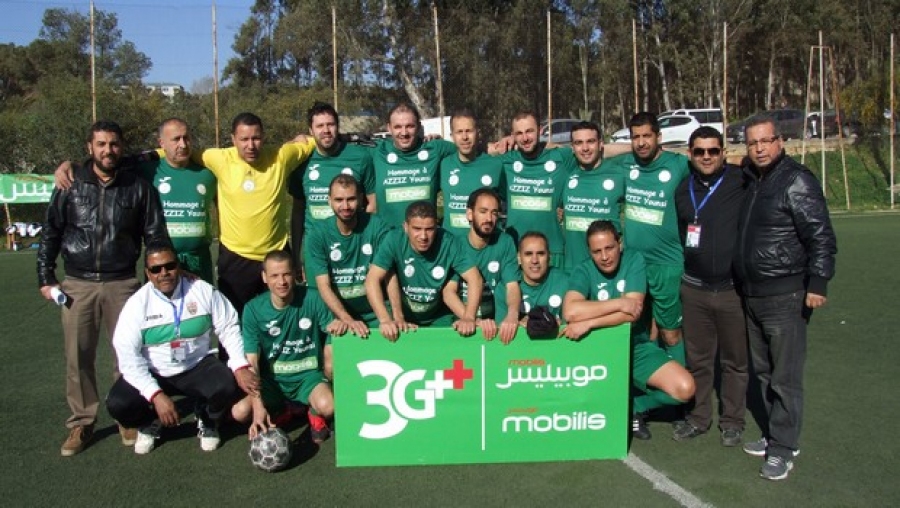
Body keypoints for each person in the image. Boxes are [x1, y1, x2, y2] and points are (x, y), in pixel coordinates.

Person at [36, 120, 170, 456]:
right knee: (77, 356)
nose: (107, 150)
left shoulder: (138, 187)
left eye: (113, 144)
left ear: (121, 148)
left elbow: (154, 233)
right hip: (77, 283)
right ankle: (82, 420)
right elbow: (51, 232)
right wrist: (45, 277)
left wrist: (158, 272)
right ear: (89, 148)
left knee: (126, 354)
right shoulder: (70, 185)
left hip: (122, 282)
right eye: (101, 144)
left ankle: (126, 414)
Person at [734, 115, 837, 481]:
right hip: (754, 294)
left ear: (781, 142)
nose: (759, 148)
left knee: (785, 377)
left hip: (785, 295)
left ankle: (784, 449)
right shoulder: (754, 179)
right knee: (763, 373)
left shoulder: (796, 180)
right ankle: (773, 434)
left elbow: (821, 235)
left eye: (766, 141)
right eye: (752, 143)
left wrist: (818, 282)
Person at [105, 242, 258, 454]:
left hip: (196, 365)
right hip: (155, 370)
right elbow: (128, 357)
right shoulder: (137, 304)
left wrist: (240, 365)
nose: (164, 273)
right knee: (118, 404)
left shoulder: (202, 290)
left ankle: (207, 419)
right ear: (147, 273)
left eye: (169, 266)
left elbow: (228, 326)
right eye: (156, 269)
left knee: (227, 384)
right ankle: (150, 422)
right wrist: (155, 395)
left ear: (178, 265)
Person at [562, 220, 695, 440]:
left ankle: (633, 406)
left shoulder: (634, 260)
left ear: (619, 243)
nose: (604, 257)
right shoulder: (583, 269)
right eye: (597, 251)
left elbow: (632, 313)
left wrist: (590, 322)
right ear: (589, 252)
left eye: (609, 248)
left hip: (635, 348)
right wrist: (619, 303)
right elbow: (570, 311)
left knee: (685, 388)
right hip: (597, 352)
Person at [672, 127, 749, 446]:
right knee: (699, 359)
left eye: (713, 151)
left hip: (731, 289)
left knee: (735, 361)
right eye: (700, 151)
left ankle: (732, 420)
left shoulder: (741, 180)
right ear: (690, 154)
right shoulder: (682, 189)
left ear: (724, 152)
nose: (706, 156)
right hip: (694, 289)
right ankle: (699, 417)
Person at [232, 250, 341, 443]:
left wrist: (336, 330)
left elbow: (332, 331)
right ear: (264, 277)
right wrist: (258, 406)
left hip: (308, 378)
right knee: (240, 413)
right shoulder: (253, 309)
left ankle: (314, 412)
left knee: (329, 406)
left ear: (296, 274)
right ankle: (283, 409)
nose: (281, 282)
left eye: (286, 274)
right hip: (272, 382)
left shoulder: (313, 298)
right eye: (274, 275)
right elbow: (252, 361)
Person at [610, 112, 691, 365]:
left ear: (659, 137)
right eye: (636, 137)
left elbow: (710, 166)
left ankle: (678, 396)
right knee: (640, 329)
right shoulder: (625, 164)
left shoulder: (678, 164)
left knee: (670, 332)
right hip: (634, 263)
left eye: (647, 136)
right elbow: (595, 150)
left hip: (667, 264)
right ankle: (651, 387)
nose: (642, 142)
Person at [304, 174, 396, 378]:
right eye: (339, 200)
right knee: (332, 367)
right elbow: (323, 285)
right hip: (339, 313)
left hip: (375, 311)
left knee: (391, 356)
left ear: (362, 199)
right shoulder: (317, 235)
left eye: (351, 199)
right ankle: (337, 408)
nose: (345, 205)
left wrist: (393, 318)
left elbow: (389, 275)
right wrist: (346, 319)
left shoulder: (377, 225)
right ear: (329, 201)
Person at [365, 201, 484, 340]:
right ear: (405, 227)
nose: (423, 236)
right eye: (417, 228)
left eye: (429, 229)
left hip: (438, 317)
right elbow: (372, 279)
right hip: (402, 317)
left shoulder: (449, 242)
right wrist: (385, 320)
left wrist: (469, 317)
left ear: (437, 226)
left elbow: (475, 278)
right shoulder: (393, 239)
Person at [289, 102, 376, 273]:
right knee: (318, 298)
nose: (326, 130)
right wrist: (295, 256)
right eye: (320, 126)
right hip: (316, 249)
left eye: (330, 124)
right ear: (311, 130)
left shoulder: (360, 156)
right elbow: (298, 211)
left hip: (353, 246)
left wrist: (366, 240)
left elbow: (372, 204)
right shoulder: (301, 161)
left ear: (338, 127)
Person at [498, 111, 578, 268]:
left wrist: (633, 147)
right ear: (513, 136)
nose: (525, 138)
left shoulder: (561, 158)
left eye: (529, 131)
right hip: (516, 251)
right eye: (519, 133)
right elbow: (479, 153)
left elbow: (595, 152)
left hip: (553, 251)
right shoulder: (505, 162)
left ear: (540, 130)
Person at [141, 118, 218, 283]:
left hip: (199, 261)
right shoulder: (147, 172)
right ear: (161, 143)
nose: (183, 144)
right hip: (162, 264)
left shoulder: (208, 174)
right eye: (176, 139)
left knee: (201, 308)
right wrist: (71, 165)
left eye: (187, 138)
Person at [444, 188, 521, 343]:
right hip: (461, 321)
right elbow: (449, 292)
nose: (489, 218)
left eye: (494, 213)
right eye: (483, 211)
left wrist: (512, 315)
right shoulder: (456, 245)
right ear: (469, 214)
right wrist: (469, 318)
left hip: (494, 323)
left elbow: (512, 286)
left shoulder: (505, 242)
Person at [370, 103, 458, 226]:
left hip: (424, 238)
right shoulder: (377, 151)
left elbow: (467, 148)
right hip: (387, 239)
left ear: (419, 127)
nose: (404, 132)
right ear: (389, 128)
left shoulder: (435, 148)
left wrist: (489, 147)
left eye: (410, 126)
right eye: (397, 127)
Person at [561, 121, 624, 269]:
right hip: (572, 269)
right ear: (572, 147)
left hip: (607, 268)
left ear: (601, 144)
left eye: (590, 141)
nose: (585, 148)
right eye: (578, 143)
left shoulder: (619, 173)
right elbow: (548, 147)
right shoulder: (566, 172)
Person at [439, 109, 503, 236]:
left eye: (469, 131)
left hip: (485, 244)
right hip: (452, 244)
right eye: (459, 132)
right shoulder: (443, 164)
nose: (465, 137)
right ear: (452, 136)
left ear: (477, 133)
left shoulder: (496, 165)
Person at [516, 232, 569, 324]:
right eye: (528, 254)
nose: (535, 260)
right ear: (519, 258)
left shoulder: (566, 282)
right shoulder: (507, 286)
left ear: (549, 257)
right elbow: (502, 329)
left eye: (540, 254)